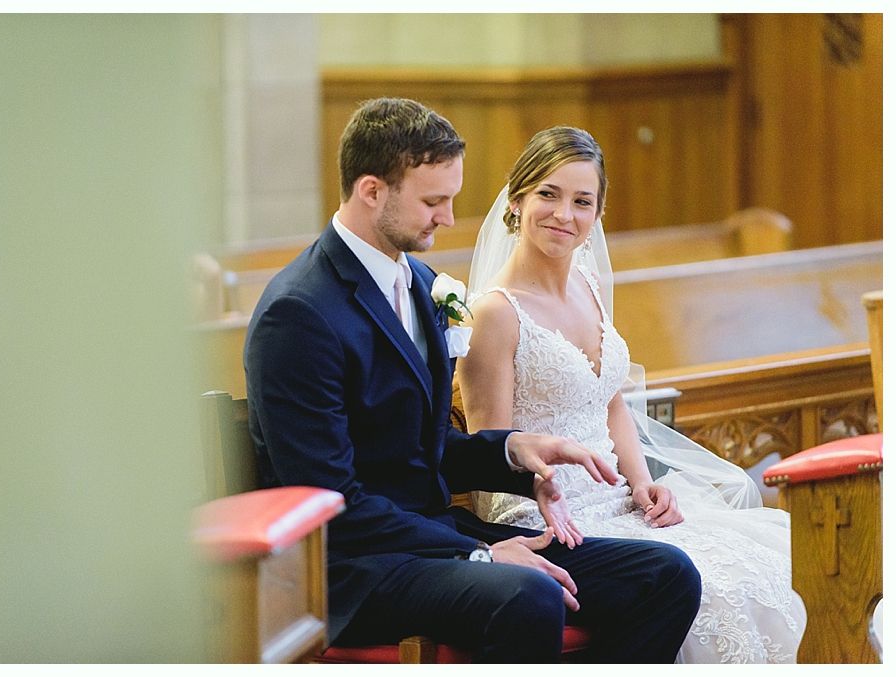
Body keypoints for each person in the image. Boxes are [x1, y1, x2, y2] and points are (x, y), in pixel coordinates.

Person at [245, 98, 702, 663]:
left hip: (433, 536)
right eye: (433, 201)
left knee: (665, 575)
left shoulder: (418, 280)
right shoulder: (299, 313)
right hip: (357, 567)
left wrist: (512, 451)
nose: (449, 218)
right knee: (528, 594)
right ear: (371, 191)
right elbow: (332, 501)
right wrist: (477, 555)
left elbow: (426, 448)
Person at [457, 125, 807, 663]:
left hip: (619, 499)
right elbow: (489, 450)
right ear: (517, 199)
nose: (563, 215)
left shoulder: (588, 284)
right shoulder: (495, 313)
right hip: (547, 515)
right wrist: (546, 495)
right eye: (547, 194)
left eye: (581, 201)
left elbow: (611, 401)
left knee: (778, 563)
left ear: (597, 214)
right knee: (717, 588)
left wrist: (644, 483)